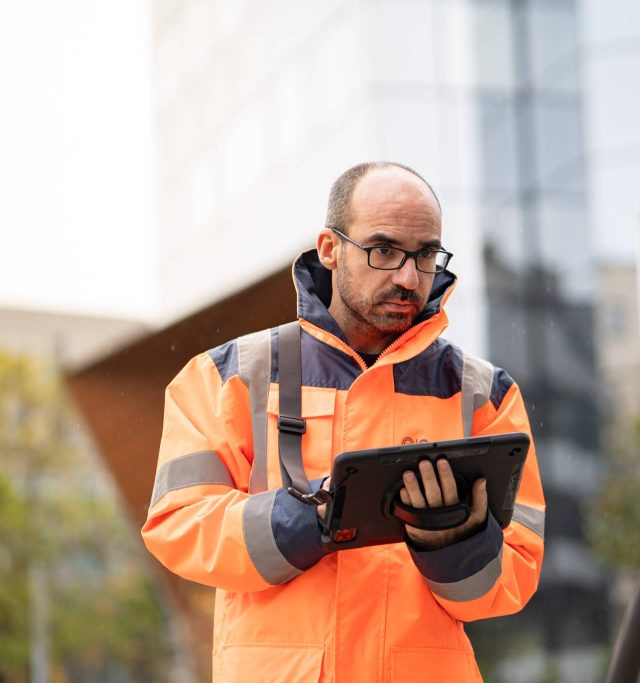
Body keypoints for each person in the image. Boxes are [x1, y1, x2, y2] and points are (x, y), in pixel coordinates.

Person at [142, 162, 545, 682]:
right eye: (384, 251)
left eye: (426, 255)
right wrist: (315, 516)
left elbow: (512, 579)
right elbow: (178, 524)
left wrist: (450, 535)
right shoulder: (230, 376)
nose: (408, 277)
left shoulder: (485, 394)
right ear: (330, 249)